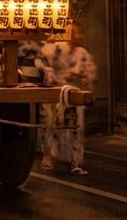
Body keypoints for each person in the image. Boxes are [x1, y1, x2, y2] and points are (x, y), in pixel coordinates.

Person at [38, 23, 96, 175]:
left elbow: (90, 73)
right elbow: (42, 62)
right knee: (53, 127)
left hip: (75, 94)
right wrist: (52, 77)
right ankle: (49, 156)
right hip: (57, 94)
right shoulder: (55, 48)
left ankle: (75, 162)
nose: (76, 35)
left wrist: (82, 78)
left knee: (77, 127)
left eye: (78, 32)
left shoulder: (82, 52)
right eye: (73, 32)